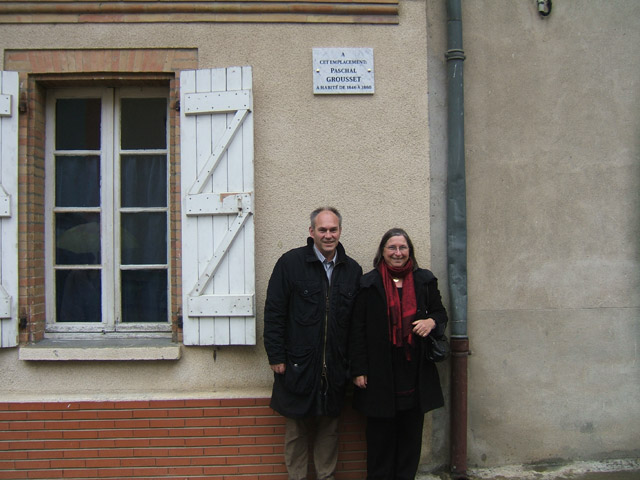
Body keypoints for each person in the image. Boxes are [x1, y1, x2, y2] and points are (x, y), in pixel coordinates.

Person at [264, 207, 363, 480]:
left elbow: (356, 325)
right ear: (312, 232)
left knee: (330, 429)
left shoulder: (352, 270)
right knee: (296, 431)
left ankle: (326, 477)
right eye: (323, 230)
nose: (328, 235)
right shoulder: (290, 263)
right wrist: (276, 356)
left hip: (334, 366)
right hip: (297, 364)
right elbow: (274, 313)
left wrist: (354, 366)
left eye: (333, 230)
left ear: (340, 231)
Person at [349, 227, 448, 480]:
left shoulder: (424, 281)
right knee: (380, 439)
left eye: (402, 247)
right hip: (380, 373)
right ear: (382, 252)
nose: (397, 252)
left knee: (410, 438)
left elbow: (440, 314)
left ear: (409, 251)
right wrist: (359, 370)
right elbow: (357, 330)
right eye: (392, 248)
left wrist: (431, 323)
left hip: (415, 372)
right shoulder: (368, 284)